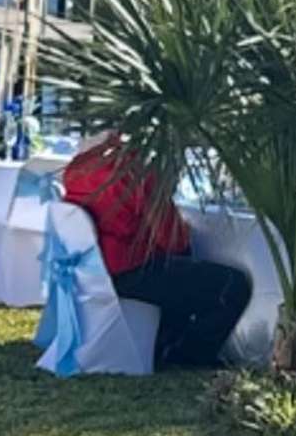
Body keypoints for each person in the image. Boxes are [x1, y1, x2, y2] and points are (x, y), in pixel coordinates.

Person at [57, 134, 249, 366]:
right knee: (231, 285)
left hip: (87, 269)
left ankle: (165, 342)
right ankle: (187, 356)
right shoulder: (135, 173)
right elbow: (174, 240)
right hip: (125, 271)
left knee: (180, 273)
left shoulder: (79, 167)